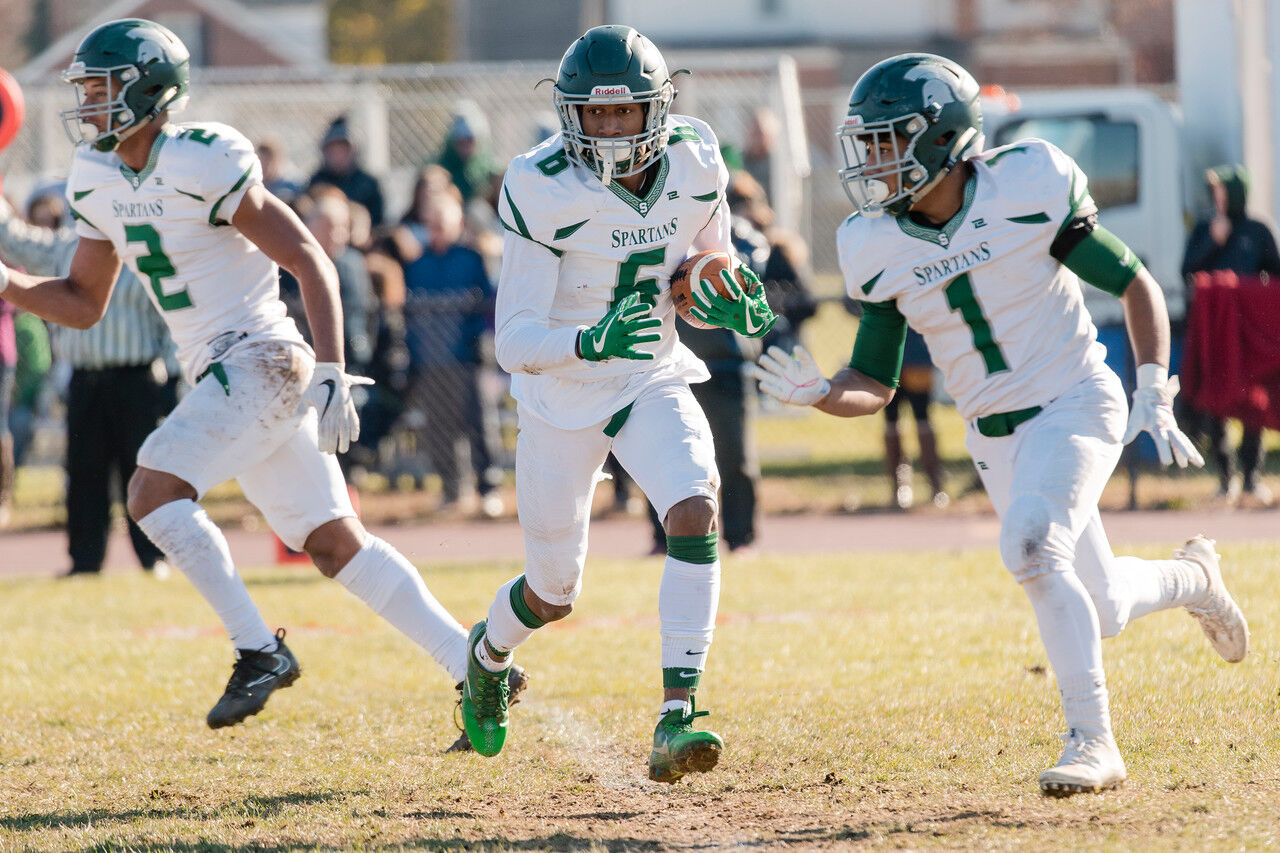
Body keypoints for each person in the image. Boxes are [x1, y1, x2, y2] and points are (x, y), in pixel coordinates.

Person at [0, 18, 525, 735]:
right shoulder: (95, 175)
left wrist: (334, 367)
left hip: (261, 357)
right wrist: (9, 283)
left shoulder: (204, 157)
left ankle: (258, 650)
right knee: (335, 544)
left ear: (147, 90)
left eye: (101, 89)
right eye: (86, 89)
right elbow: (84, 302)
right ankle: (473, 666)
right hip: (225, 371)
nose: (87, 103)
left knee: (152, 491)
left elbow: (307, 257)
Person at [750, 53, 1248, 797]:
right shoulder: (873, 242)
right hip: (994, 434)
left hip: (1075, 398)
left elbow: (1134, 282)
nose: (873, 162)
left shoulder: (1027, 183)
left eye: (887, 141)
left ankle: (1094, 741)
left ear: (941, 137)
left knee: (1032, 546)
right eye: (869, 144)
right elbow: (874, 382)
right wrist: (822, 390)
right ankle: (1195, 578)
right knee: (1104, 606)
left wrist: (1152, 385)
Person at [458, 25, 776, 783]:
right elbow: (514, 340)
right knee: (552, 593)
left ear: (656, 109)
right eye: (593, 113)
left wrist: (722, 287)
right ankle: (488, 655)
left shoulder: (697, 157)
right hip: (561, 394)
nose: (607, 128)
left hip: (648, 375)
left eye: (622, 111)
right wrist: (590, 341)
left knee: (695, 508)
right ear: (569, 114)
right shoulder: (540, 182)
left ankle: (678, 714)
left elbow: (705, 259)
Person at [0, 191, 174, 575]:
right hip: (84, 378)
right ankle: (85, 561)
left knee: (143, 469)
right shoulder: (66, 246)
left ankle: (153, 557)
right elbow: (12, 237)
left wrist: (173, 375)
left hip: (136, 377)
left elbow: (170, 316)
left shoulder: (143, 249)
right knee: (84, 472)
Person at [1181, 164, 1280, 506]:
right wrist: (1214, 241)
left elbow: (1274, 276)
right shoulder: (1206, 228)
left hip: (1249, 334)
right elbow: (1187, 271)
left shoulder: (1257, 230)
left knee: (1253, 406)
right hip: (1216, 333)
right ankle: (1226, 480)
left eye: (1222, 190)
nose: (1218, 197)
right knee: (1216, 402)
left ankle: (1252, 479)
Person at [402, 192, 504, 516]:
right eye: (431, 224)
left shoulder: (471, 259)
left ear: (458, 223)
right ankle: (452, 490)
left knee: (480, 424)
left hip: (469, 359)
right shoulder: (417, 264)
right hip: (430, 361)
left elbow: (486, 305)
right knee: (439, 429)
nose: (436, 230)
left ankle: (488, 489)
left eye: (442, 223)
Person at [309, 115, 385, 227]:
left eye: (343, 149)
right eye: (334, 149)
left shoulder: (368, 183)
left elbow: (378, 222)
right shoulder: (317, 182)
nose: (338, 155)